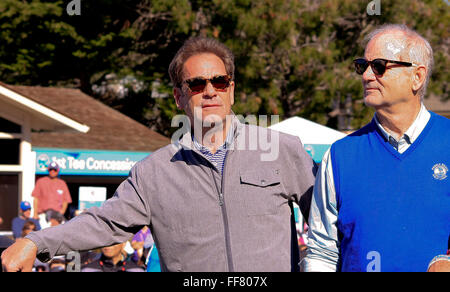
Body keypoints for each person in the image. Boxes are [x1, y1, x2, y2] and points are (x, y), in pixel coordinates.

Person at [2, 37, 316, 272]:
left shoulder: (283, 150)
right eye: (196, 84)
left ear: (231, 90)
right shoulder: (152, 172)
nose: (209, 91)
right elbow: (102, 222)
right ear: (179, 96)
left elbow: (333, 226)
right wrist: (36, 242)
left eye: (219, 82)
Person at [303, 24, 450, 272]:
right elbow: (322, 252)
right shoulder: (339, 156)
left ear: (418, 76)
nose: (366, 76)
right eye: (363, 65)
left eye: (379, 66)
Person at [31, 161, 71, 229]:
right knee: (44, 235)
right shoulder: (41, 181)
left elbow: (66, 200)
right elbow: (36, 198)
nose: (52, 171)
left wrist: (62, 212)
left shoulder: (62, 183)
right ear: (48, 170)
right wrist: (35, 213)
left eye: (54, 170)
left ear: (57, 171)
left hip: (57, 215)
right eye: (50, 169)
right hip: (43, 215)